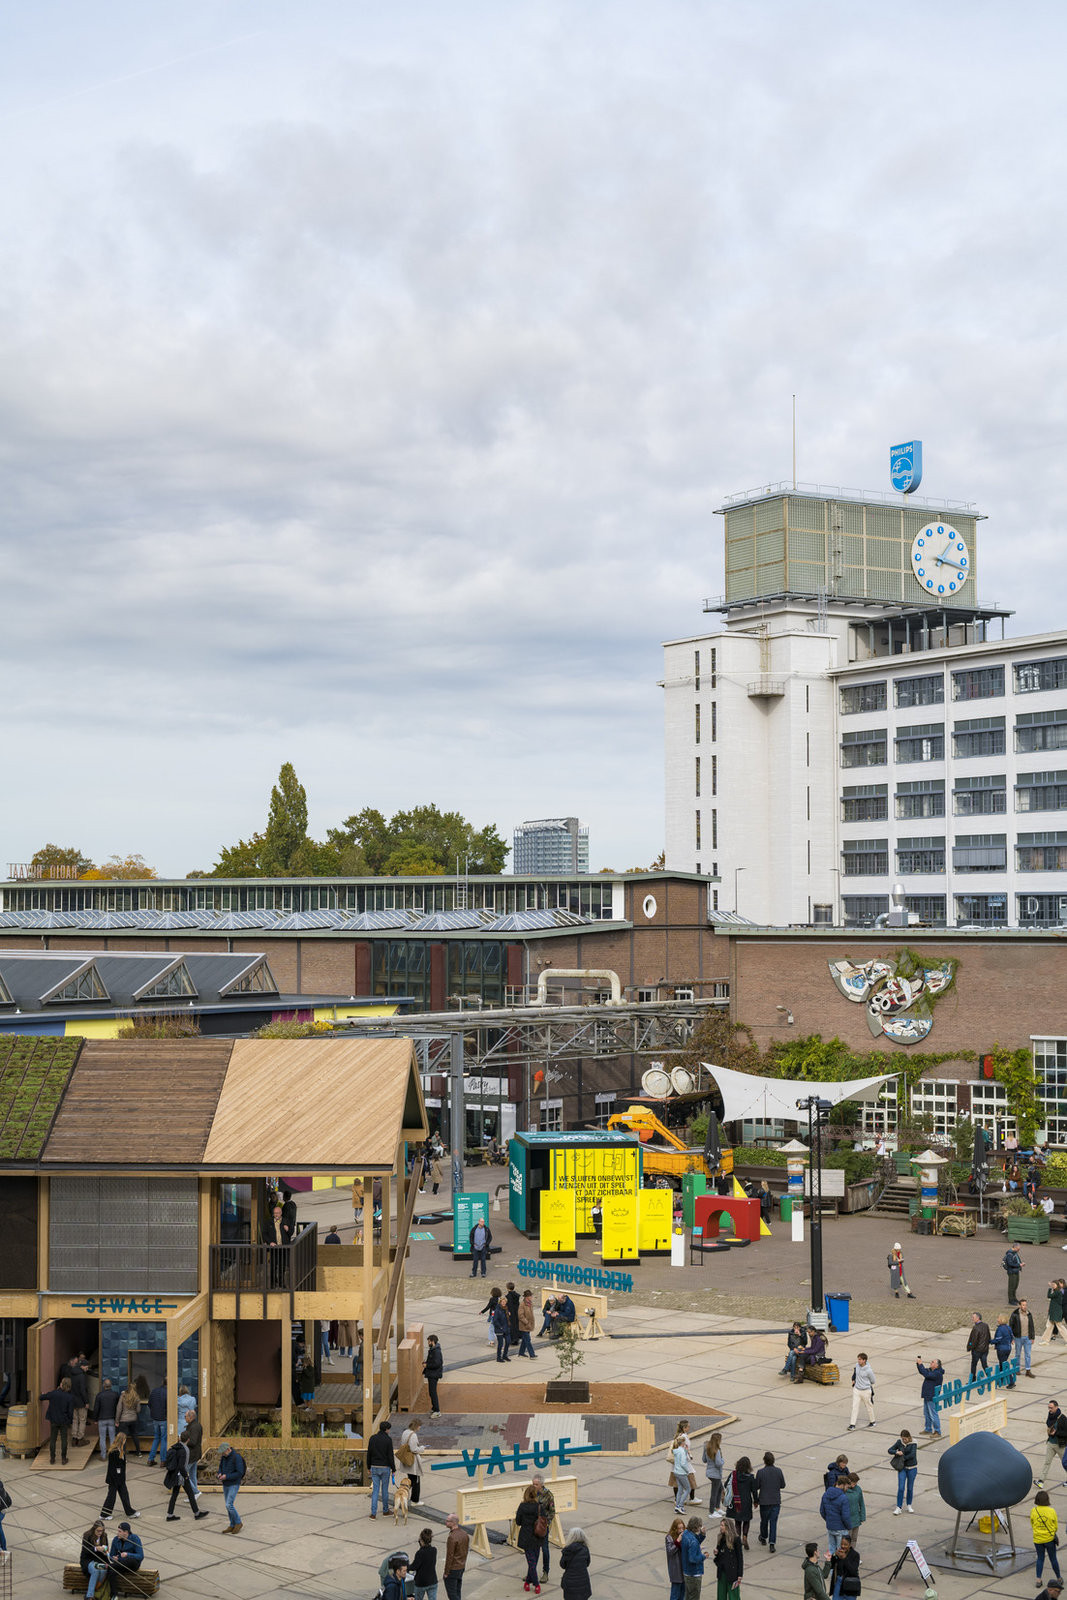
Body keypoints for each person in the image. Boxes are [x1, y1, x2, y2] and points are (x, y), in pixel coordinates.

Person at [164, 1434, 209, 1522]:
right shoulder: (185, 1450)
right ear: (188, 1440)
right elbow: (182, 1466)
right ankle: (197, 1513)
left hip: (176, 1475)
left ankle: (170, 1515)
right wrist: (186, 1476)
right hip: (181, 1477)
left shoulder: (177, 1446)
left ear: (180, 1439)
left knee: (175, 1495)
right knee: (190, 1494)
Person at [101, 1432, 139, 1520]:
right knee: (111, 1497)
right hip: (115, 1479)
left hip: (119, 1479)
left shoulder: (118, 1450)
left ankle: (129, 1512)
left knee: (124, 1495)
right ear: (123, 1440)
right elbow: (115, 1467)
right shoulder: (114, 1452)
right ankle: (104, 1514)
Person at [754, 1450, 784, 1551]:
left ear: (764, 1461)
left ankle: (763, 1537)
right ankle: (772, 1543)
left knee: (764, 1520)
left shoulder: (761, 1472)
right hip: (775, 1501)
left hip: (764, 1501)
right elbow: (783, 1485)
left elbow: (756, 1486)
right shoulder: (779, 1471)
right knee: (773, 1522)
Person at [516, 1483, 543, 1592]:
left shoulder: (522, 1506)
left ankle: (529, 1582)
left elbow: (518, 1522)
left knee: (531, 1561)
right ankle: (534, 1583)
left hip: (526, 1536)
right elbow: (543, 1519)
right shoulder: (538, 1507)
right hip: (537, 1536)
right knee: (534, 1561)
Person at [41, 1375, 75, 1464]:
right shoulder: (70, 1397)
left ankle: (52, 1458)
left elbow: (42, 1397)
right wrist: (70, 1422)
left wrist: (42, 1394)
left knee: (53, 1439)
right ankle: (63, 1458)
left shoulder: (54, 1393)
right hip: (64, 1421)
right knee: (64, 1440)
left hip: (54, 1420)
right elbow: (70, 1412)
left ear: (61, 1384)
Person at [724, 1457, 756, 1550]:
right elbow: (754, 1491)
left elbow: (726, 1485)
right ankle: (745, 1537)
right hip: (746, 1502)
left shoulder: (733, 1474)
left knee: (737, 1522)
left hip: (736, 1501)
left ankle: (737, 1540)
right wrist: (756, 1501)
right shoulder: (750, 1477)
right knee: (746, 1520)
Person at [367, 1419, 395, 1518]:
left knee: (375, 1491)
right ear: (386, 1429)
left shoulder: (372, 1438)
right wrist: (394, 1469)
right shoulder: (388, 1440)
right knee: (384, 1490)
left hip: (374, 1467)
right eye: (389, 1429)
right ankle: (385, 1510)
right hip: (385, 1468)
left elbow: (369, 1453)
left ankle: (373, 1514)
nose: (389, 1431)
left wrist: (368, 1466)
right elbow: (390, 1456)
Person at [1033, 1490, 1062, 1585]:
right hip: (1049, 1539)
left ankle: (1038, 1580)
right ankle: (1058, 1578)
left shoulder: (1034, 1511)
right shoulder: (1051, 1511)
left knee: (1040, 1558)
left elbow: (1033, 1523)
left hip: (1038, 1539)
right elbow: (1056, 1527)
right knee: (1053, 1558)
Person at [217, 1440, 246, 1533]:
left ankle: (238, 1522)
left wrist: (227, 1476)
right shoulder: (224, 1457)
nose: (222, 1454)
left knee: (229, 1505)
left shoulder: (236, 1458)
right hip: (226, 1484)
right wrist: (219, 1473)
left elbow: (239, 1472)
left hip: (234, 1483)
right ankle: (232, 1524)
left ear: (228, 1449)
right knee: (228, 1506)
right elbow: (220, 1467)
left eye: (223, 1452)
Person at [531, 1474, 555, 1581]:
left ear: (541, 1484)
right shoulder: (531, 1493)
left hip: (543, 1527)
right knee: (533, 1550)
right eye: (533, 1484)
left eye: (536, 1484)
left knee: (544, 1550)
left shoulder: (548, 1495)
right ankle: (531, 1572)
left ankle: (545, 1572)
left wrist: (545, 1523)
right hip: (533, 1526)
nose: (534, 1486)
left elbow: (552, 1512)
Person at [820, 1472, 851, 1553]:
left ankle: (830, 1565)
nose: (847, 1489)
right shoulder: (843, 1498)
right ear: (843, 1485)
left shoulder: (826, 1494)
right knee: (841, 1550)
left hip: (830, 1527)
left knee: (831, 1549)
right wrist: (849, 1526)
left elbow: (822, 1511)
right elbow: (845, 1516)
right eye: (847, 1487)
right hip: (841, 1528)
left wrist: (829, 1520)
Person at [711, 1515, 740, 1600]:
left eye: (722, 1525)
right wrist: (716, 1553)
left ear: (728, 1527)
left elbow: (740, 1558)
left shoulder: (736, 1539)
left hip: (732, 1573)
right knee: (721, 1596)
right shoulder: (720, 1537)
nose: (720, 1527)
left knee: (733, 1596)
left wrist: (740, 1574)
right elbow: (720, 1553)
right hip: (722, 1572)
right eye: (720, 1525)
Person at [889, 1429, 917, 1514]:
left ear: (909, 1437)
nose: (904, 1440)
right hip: (902, 1468)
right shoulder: (899, 1442)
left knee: (910, 1488)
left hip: (912, 1468)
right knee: (901, 1488)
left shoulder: (914, 1443)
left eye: (905, 1439)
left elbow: (912, 1455)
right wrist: (896, 1452)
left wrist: (903, 1457)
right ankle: (898, 1507)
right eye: (902, 1439)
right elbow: (890, 1450)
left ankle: (909, 1505)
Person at [1040, 1400, 1067, 1487]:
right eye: (1049, 1407)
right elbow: (1048, 1423)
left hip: (1060, 1446)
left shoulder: (1063, 1418)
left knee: (1065, 1463)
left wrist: (1056, 1433)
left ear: (1056, 1407)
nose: (1049, 1409)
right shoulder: (1050, 1415)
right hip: (1051, 1444)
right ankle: (1041, 1481)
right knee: (1047, 1462)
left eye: (1051, 1408)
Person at [559, 1527, 592, 1600]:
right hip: (583, 1581)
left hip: (570, 1583)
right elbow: (587, 1563)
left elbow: (562, 1565)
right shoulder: (585, 1549)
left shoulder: (567, 1551)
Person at [81, 1519, 110, 1599]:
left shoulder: (104, 1535)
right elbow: (85, 1550)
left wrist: (105, 1551)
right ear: (94, 1529)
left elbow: (106, 1547)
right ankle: (89, 1595)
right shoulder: (87, 1535)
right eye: (98, 1531)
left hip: (100, 1559)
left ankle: (96, 1590)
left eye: (102, 1531)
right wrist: (96, 1549)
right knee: (95, 1570)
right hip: (88, 1559)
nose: (100, 1533)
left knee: (104, 1570)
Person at [443, 1511, 469, 1600]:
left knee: (452, 1595)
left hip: (453, 1569)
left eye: (447, 1521)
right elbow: (465, 1551)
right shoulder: (464, 1534)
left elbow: (449, 1556)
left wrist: (446, 1572)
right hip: (461, 1567)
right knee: (457, 1591)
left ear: (453, 1523)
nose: (445, 1522)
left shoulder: (452, 1537)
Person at [915, 1355, 943, 1436]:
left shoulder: (937, 1373)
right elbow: (922, 1371)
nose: (931, 1363)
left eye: (933, 1362)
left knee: (933, 1414)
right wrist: (918, 1364)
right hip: (927, 1395)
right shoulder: (931, 1370)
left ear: (937, 1365)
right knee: (926, 1413)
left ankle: (937, 1431)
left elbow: (926, 1374)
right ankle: (928, 1428)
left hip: (932, 1396)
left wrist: (920, 1364)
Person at [826, 1534, 861, 1600]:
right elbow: (831, 1566)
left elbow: (853, 1571)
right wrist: (834, 1555)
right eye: (841, 1544)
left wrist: (844, 1558)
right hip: (839, 1583)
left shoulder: (855, 1555)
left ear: (850, 1545)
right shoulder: (839, 1553)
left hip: (850, 1584)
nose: (843, 1546)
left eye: (845, 1544)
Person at [400, 1418, 425, 1504]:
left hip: (406, 1459)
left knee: (410, 1480)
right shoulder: (413, 1435)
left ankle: (402, 1495)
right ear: (416, 1426)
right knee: (416, 1481)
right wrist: (421, 1448)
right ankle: (415, 1500)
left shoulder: (405, 1432)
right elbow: (414, 1449)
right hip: (412, 1462)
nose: (420, 1428)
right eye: (419, 1426)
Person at [847, 1353, 876, 1430]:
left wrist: (866, 1384)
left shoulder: (869, 1370)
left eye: (860, 1359)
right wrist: (853, 1380)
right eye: (858, 1359)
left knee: (869, 1406)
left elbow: (873, 1380)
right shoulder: (857, 1366)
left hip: (866, 1391)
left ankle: (872, 1421)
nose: (858, 1361)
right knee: (854, 1407)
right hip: (857, 1390)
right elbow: (855, 1373)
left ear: (864, 1360)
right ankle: (852, 1424)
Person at [94, 1379, 120, 1459]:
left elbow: (96, 1408)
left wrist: (95, 1419)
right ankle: (112, 1456)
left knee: (102, 1438)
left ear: (103, 1385)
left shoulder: (99, 1395)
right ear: (111, 1385)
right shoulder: (115, 1395)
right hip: (112, 1419)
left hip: (102, 1419)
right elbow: (118, 1408)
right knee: (112, 1437)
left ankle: (103, 1456)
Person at [411, 1526, 438, 1600]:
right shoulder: (434, 1550)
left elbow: (414, 1566)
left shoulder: (420, 1553)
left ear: (421, 1540)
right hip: (432, 1580)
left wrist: (406, 1566)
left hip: (421, 1582)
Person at [1012, 1299, 1037, 1378]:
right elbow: (1011, 1326)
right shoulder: (1015, 1314)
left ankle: (1028, 1370)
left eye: (1025, 1305)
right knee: (1018, 1354)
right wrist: (1011, 1337)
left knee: (1028, 1354)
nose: (1025, 1306)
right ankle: (1017, 1369)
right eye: (1023, 1305)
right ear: (1019, 1305)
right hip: (1018, 1337)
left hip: (1027, 1338)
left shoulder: (1029, 1314)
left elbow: (1032, 1326)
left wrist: (1032, 1337)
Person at [117, 1380, 143, 1455]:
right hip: (133, 1419)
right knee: (135, 1435)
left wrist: (117, 1420)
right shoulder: (137, 1397)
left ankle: (123, 1455)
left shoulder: (123, 1395)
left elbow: (119, 1409)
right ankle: (138, 1452)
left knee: (123, 1437)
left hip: (124, 1420)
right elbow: (138, 1410)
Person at [146, 1377, 168, 1465]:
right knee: (163, 1439)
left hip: (155, 1418)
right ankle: (163, 1460)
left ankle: (150, 1459)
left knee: (156, 1438)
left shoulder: (154, 1391)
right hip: (164, 1418)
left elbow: (149, 1404)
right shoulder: (168, 1392)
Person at [703, 1433, 725, 1517]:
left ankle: (717, 1508)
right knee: (714, 1493)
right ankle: (712, 1512)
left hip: (709, 1473)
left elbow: (704, 1459)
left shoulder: (707, 1447)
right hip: (716, 1474)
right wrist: (723, 1460)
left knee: (720, 1489)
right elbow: (718, 1463)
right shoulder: (717, 1450)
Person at [70, 1357, 90, 1446]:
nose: (87, 1369)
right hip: (81, 1401)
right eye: (86, 1367)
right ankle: (80, 1438)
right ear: (82, 1366)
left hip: (73, 1401)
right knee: (82, 1420)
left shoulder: (72, 1373)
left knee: (74, 1420)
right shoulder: (81, 1376)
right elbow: (82, 1390)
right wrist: (86, 1402)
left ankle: (74, 1438)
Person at [183, 1409, 203, 1496]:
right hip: (195, 1454)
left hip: (192, 1455)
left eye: (185, 1416)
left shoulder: (194, 1427)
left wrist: (183, 1441)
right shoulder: (195, 1425)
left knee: (182, 1474)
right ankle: (194, 1495)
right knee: (192, 1474)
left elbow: (193, 1442)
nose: (184, 1418)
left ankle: (195, 1492)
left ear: (190, 1417)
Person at [842, 1472, 866, 1545]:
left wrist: (862, 1516)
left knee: (854, 1539)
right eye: (853, 1482)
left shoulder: (858, 1489)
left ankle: (852, 1553)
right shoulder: (843, 1491)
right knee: (846, 1540)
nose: (855, 1484)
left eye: (856, 1482)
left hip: (856, 1519)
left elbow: (861, 1503)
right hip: (847, 1520)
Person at [666, 1515, 686, 1600]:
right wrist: (678, 1541)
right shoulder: (669, 1537)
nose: (681, 1530)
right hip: (676, 1570)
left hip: (684, 1569)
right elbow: (670, 1551)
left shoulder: (684, 1535)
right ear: (675, 1528)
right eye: (679, 1528)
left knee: (682, 1595)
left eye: (682, 1528)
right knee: (675, 1595)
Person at [673, 1434, 694, 1515]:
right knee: (688, 1488)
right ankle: (680, 1506)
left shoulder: (677, 1450)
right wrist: (687, 1470)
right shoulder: (682, 1452)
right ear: (683, 1443)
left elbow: (681, 1456)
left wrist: (686, 1450)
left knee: (680, 1489)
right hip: (682, 1472)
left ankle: (677, 1506)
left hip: (676, 1472)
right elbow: (683, 1463)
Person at [966, 1312, 991, 1378]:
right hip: (985, 1349)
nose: (972, 1319)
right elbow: (988, 1336)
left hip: (977, 1350)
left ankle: (972, 1378)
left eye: (973, 1317)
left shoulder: (976, 1328)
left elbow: (973, 1341)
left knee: (974, 1364)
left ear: (977, 1318)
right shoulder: (986, 1325)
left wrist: (970, 1347)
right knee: (984, 1364)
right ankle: (990, 1377)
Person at [424, 1333, 443, 1416]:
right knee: (431, 1392)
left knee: (433, 1393)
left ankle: (437, 1411)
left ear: (432, 1342)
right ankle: (434, 1408)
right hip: (432, 1374)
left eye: (429, 1342)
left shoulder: (436, 1352)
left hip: (433, 1375)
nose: (428, 1343)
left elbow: (437, 1364)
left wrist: (427, 1365)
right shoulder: (433, 1350)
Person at [993, 1314, 1015, 1386]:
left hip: (1001, 1349)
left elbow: (998, 1340)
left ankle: (1011, 1382)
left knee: (1004, 1365)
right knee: (1002, 1364)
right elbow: (1012, 1336)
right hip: (1008, 1348)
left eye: (998, 1318)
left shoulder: (1000, 1329)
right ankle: (1001, 1380)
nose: (997, 1319)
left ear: (1001, 1319)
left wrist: (989, 1341)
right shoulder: (1008, 1328)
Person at [1043, 1281, 1066, 1345]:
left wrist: (1050, 1288)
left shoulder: (1057, 1292)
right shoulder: (1057, 1291)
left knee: (1060, 1327)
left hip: (1056, 1312)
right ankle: (1046, 1340)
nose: (1053, 1285)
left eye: (1054, 1284)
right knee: (1049, 1326)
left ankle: (1046, 1340)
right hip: (1053, 1312)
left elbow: (1049, 1296)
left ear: (1057, 1285)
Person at [517, 1290, 538, 1358]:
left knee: (525, 1340)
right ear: (527, 1297)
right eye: (530, 1296)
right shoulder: (522, 1304)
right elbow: (520, 1316)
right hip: (524, 1326)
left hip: (529, 1325)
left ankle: (521, 1353)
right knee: (528, 1340)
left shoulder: (530, 1303)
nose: (531, 1297)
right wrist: (527, 1322)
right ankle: (532, 1355)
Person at [492, 1298, 511, 1363]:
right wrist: (500, 1327)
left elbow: (507, 1319)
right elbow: (495, 1321)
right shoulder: (497, 1310)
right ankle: (498, 1357)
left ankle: (505, 1355)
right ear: (500, 1302)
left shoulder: (506, 1309)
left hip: (506, 1328)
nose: (504, 1303)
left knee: (508, 1342)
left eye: (505, 1302)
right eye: (502, 1302)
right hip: (500, 1329)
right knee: (500, 1344)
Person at [506, 1282, 521, 1347]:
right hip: (517, 1311)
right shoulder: (516, 1295)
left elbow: (510, 1305)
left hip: (512, 1313)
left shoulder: (509, 1296)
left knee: (512, 1326)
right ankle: (517, 1338)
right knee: (516, 1325)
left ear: (507, 1288)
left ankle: (513, 1339)